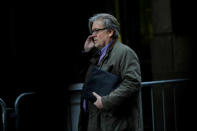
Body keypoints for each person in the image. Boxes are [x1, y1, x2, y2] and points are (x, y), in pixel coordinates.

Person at [78, 13, 141, 131]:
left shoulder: (125, 52)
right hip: (95, 121)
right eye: (92, 31)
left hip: (115, 123)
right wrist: (86, 52)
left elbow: (133, 83)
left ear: (110, 32)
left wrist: (106, 102)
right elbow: (81, 76)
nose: (93, 35)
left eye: (96, 30)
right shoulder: (96, 54)